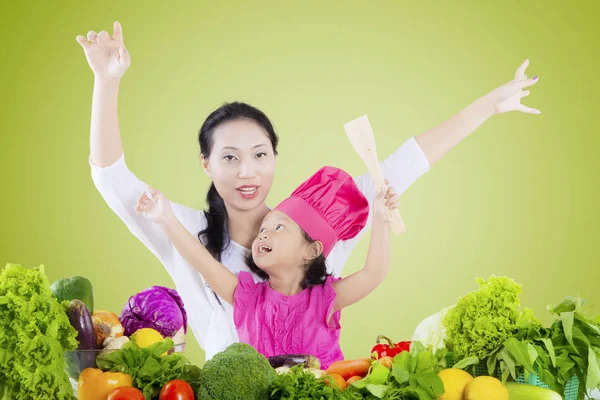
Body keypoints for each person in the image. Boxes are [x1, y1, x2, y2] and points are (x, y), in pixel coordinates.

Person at [77, 21, 541, 359]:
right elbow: (110, 177)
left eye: (260, 154)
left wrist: (491, 105)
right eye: (229, 157)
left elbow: (407, 161)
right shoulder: (188, 230)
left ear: (276, 158)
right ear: (206, 164)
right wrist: (107, 81)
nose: (247, 172)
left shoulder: (319, 222)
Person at [136, 166, 396, 368]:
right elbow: (202, 261)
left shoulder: (326, 298)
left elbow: (374, 273)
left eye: (278, 227)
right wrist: (164, 218)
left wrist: (381, 218)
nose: (263, 235)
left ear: (311, 250)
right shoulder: (248, 298)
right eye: (262, 230)